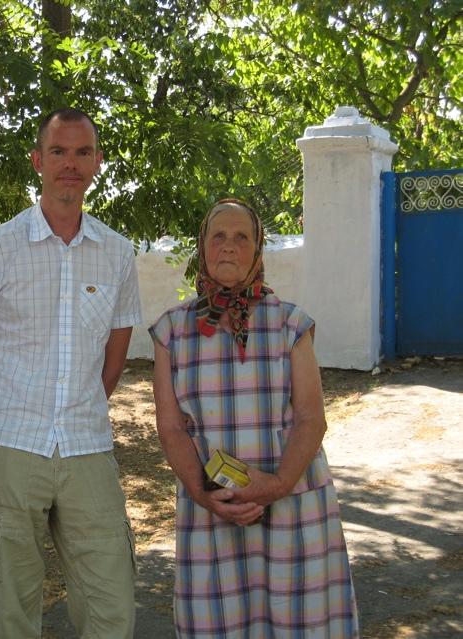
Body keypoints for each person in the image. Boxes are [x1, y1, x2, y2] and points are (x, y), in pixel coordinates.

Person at [0, 108, 141, 638]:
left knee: (110, 600)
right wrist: (6, 416)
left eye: (83, 152)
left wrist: (78, 407)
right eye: (58, 151)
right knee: (12, 607)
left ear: (98, 163)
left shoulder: (118, 254)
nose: (70, 164)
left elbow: (113, 360)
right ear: (37, 161)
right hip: (11, 449)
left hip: (87, 448)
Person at [150, 198, 359, 637]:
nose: (229, 246)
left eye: (241, 236)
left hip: (293, 507)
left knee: (300, 621)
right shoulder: (172, 331)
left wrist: (277, 485)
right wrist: (203, 493)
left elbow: (310, 418)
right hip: (212, 510)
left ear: (258, 249)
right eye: (218, 236)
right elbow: (170, 426)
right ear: (201, 248)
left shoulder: (290, 325)